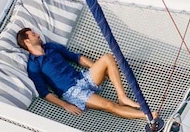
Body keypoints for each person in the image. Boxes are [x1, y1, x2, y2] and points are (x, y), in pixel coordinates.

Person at [16, 27, 147, 120]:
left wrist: (99, 69)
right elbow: (43, 92)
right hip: (72, 91)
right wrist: (65, 105)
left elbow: (76, 58)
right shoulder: (33, 65)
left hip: (82, 77)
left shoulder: (51, 47)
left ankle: (122, 97)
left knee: (107, 58)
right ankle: (147, 115)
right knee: (109, 105)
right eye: (33, 34)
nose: (38, 35)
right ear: (27, 41)